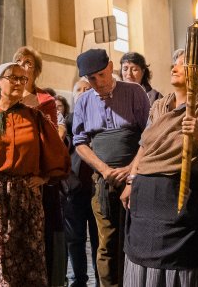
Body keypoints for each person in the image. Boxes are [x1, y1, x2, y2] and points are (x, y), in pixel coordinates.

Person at [120, 48, 198, 285]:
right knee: (142, 264)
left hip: (182, 199)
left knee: (181, 265)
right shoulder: (159, 106)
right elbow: (144, 146)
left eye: (182, 64)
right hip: (147, 198)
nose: (174, 67)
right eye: (175, 63)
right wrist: (131, 180)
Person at [0, 62, 70, 287]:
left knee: (27, 257)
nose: (19, 83)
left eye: (23, 79)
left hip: (25, 198)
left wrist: (45, 178)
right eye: (13, 77)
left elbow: (55, 151)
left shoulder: (35, 117)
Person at [71, 49, 151, 287]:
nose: (98, 83)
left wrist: (130, 169)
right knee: (106, 241)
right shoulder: (84, 101)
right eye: (91, 79)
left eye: (101, 75)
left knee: (136, 238)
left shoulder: (135, 92)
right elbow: (79, 142)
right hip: (103, 182)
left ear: (111, 67)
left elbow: (148, 136)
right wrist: (104, 169)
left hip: (135, 179)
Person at [65, 78, 99, 287]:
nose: (83, 92)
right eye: (79, 89)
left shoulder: (102, 117)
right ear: (73, 94)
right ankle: (79, 280)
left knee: (99, 240)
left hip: (97, 188)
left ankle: (101, 280)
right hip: (73, 189)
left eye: (88, 88)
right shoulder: (67, 122)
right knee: (75, 239)